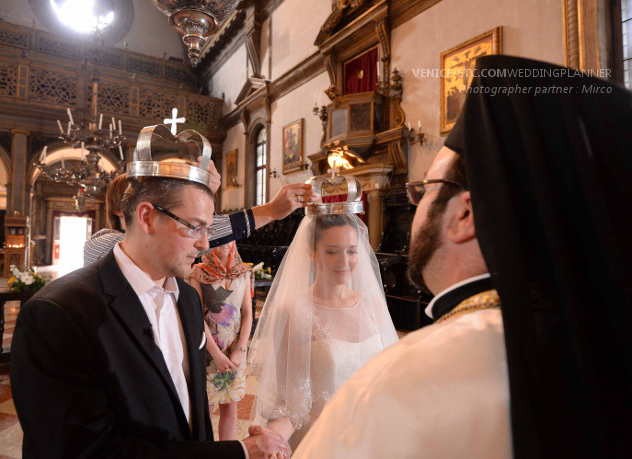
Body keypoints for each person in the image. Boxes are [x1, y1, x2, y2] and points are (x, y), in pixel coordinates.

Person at [294, 55, 632, 458]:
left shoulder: (407, 384)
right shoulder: (603, 347)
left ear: (465, 215)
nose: (415, 206)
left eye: (422, 192)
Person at [12, 134, 291, 457]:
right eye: (195, 227)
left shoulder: (187, 299)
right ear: (146, 217)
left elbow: (192, 417)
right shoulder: (58, 314)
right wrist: (238, 453)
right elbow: (88, 452)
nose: (204, 244)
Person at [248, 204, 398, 450]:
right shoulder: (293, 311)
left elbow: (392, 378)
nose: (344, 262)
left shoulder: (372, 305)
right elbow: (287, 400)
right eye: (331, 251)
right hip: (322, 441)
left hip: (373, 437)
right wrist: (271, 440)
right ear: (311, 252)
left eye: (352, 251)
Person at [84, 167, 318, 266]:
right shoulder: (100, 243)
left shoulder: (177, 246)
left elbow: (201, 240)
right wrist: (269, 211)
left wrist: (201, 197)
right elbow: (166, 243)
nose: (201, 240)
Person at [188, 241, 253, 441]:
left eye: (228, 239)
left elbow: (248, 315)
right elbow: (197, 317)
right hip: (207, 352)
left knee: (230, 408)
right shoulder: (198, 273)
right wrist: (215, 354)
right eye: (217, 240)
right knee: (205, 409)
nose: (224, 244)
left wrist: (241, 349)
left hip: (234, 351)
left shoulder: (243, 273)